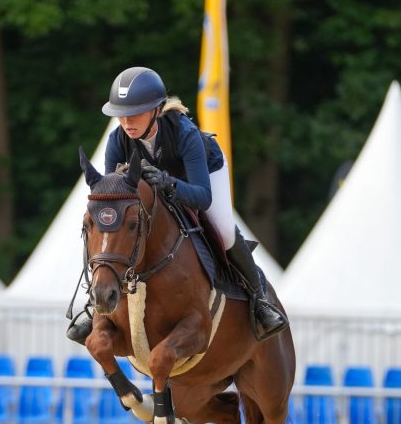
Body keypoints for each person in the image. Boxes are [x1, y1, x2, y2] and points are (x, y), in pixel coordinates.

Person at [67, 66, 288, 344]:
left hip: (203, 176)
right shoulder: (117, 140)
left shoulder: (185, 134)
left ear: (157, 110)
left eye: (134, 113)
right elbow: (116, 196)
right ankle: (94, 306)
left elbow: (201, 197)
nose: (126, 122)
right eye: (121, 115)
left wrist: (167, 182)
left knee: (223, 229)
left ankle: (259, 301)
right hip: (157, 193)